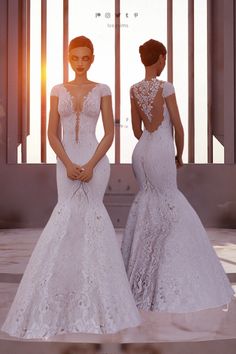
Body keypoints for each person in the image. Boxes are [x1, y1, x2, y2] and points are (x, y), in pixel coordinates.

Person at [1, 36, 141, 339]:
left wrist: (91, 164)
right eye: (75, 57)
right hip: (65, 162)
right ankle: (58, 297)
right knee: (65, 218)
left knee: (91, 219)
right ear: (68, 58)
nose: (80, 63)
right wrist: (67, 163)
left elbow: (108, 133)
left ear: (92, 59)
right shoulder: (56, 90)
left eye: (85, 58)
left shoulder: (103, 89)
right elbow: (51, 133)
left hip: (95, 161)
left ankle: (101, 303)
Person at [121, 39, 235, 313]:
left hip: (141, 152)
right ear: (160, 57)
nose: (165, 62)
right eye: (165, 58)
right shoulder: (166, 87)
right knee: (170, 204)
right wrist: (179, 154)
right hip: (161, 150)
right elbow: (179, 127)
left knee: (147, 202)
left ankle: (138, 277)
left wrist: (150, 138)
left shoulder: (134, 90)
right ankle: (164, 273)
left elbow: (136, 130)